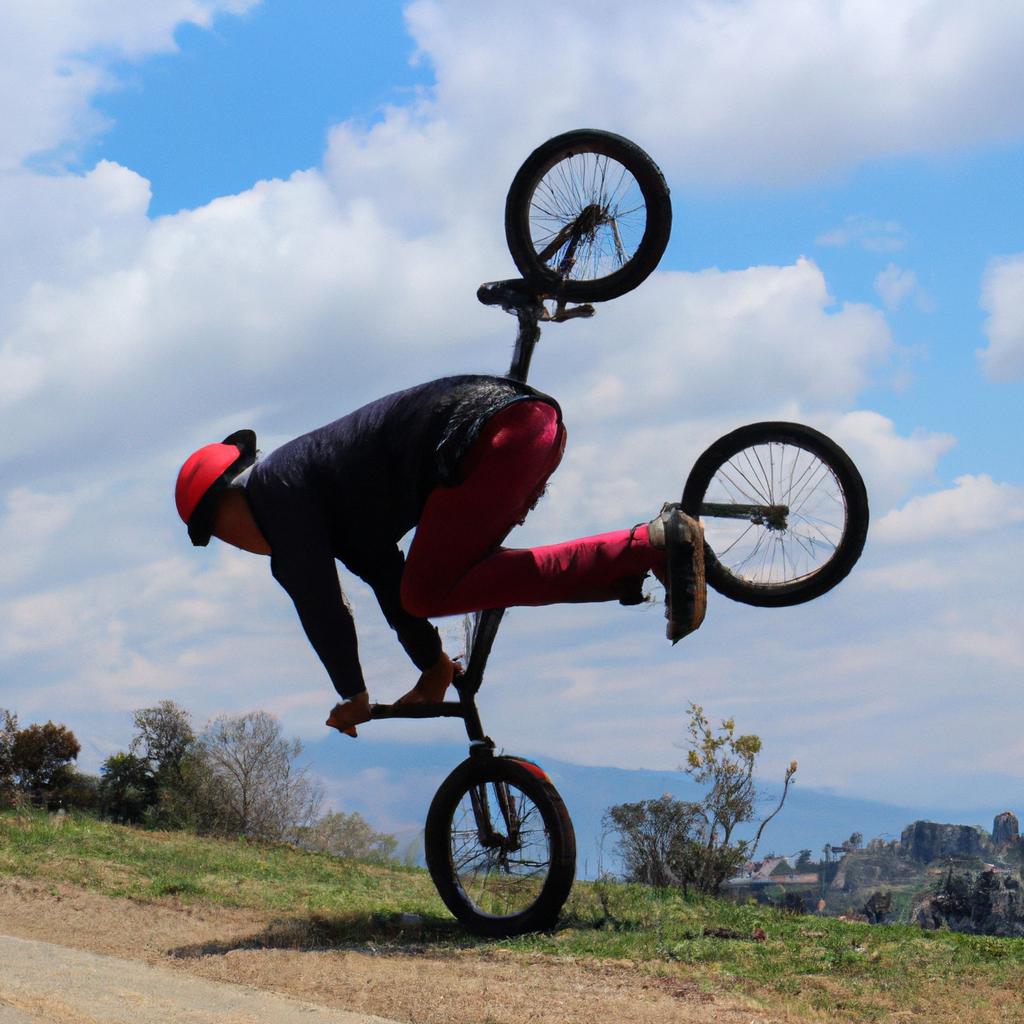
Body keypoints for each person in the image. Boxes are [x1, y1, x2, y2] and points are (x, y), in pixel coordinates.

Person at [174, 375, 705, 738]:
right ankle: (641, 563)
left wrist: (353, 694)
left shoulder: (276, 491)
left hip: (493, 436)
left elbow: (318, 600)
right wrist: (433, 669)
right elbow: (387, 579)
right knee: (442, 582)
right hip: (531, 427)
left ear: (232, 496)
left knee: (432, 589)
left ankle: (648, 545)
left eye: (221, 533)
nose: (236, 546)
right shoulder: (324, 499)